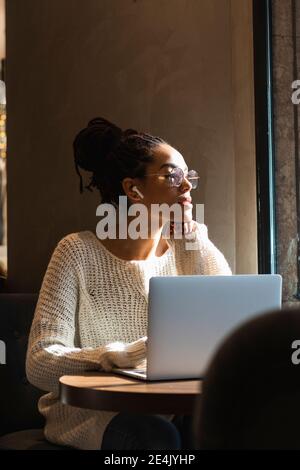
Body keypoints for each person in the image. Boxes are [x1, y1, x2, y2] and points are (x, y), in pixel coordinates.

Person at [26, 117, 232, 450]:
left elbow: (229, 319)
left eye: (188, 176)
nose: (187, 187)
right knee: (155, 438)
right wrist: (114, 356)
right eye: (172, 176)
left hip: (169, 406)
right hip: (93, 413)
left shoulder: (189, 245)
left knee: (228, 423)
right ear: (132, 189)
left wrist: (193, 235)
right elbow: (39, 363)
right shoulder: (75, 252)